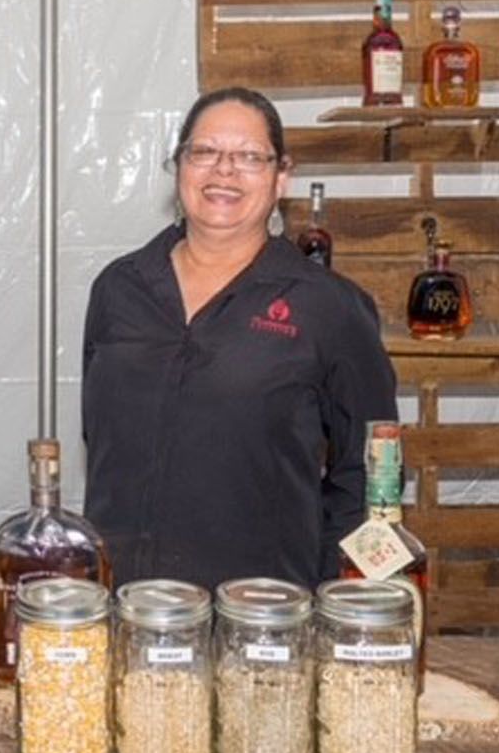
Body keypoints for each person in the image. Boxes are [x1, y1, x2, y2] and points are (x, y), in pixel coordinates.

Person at [82, 86, 397, 591]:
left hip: (261, 616)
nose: (223, 171)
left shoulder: (330, 308)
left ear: (281, 176)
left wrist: (333, 596)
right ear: (179, 166)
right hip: (126, 605)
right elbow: (102, 443)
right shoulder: (119, 289)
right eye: (204, 152)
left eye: (249, 157)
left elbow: (367, 475)